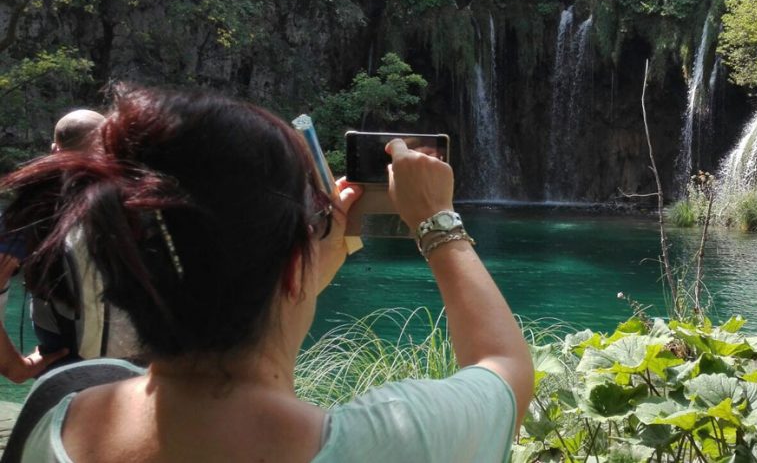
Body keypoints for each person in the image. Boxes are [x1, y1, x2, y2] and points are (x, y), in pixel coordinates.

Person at [2, 86, 533, 462]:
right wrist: (436, 222)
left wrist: (307, 259)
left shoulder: (59, 414)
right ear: (291, 269)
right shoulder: (390, 443)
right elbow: (506, 367)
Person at [0, 109, 108, 383]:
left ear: (54, 151)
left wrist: (15, 368)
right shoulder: (138, 205)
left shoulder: (33, 209)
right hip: (132, 375)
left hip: (64, 368)